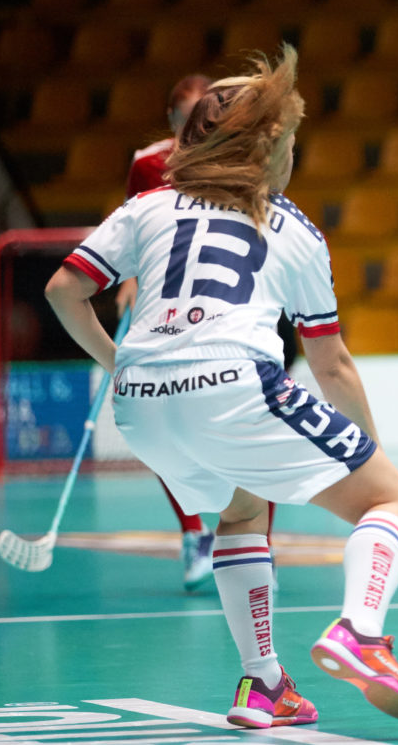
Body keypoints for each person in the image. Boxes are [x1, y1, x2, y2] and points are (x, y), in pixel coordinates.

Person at [44, 45, 398, 727]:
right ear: (267, 149)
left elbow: (63, 289)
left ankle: (263, 684)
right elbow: (331, 363)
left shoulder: (148, 206)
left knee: (239, 512)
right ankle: (361, 631)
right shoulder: (293, 228)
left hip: (140, 404)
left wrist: (119, 364)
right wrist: (372, 457)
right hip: (236, 379)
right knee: (393, 501)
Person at [117, 73, 285, 592]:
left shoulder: (247, 162)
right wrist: (129, 282)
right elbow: (132, 231)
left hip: (244, 314)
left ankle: (259, 543)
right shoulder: (148, 164)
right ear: (172, 122)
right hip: (173, 319)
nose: (200, 127)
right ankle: (196, 535)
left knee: (262, 429)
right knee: (175, 436)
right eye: (189, 118)